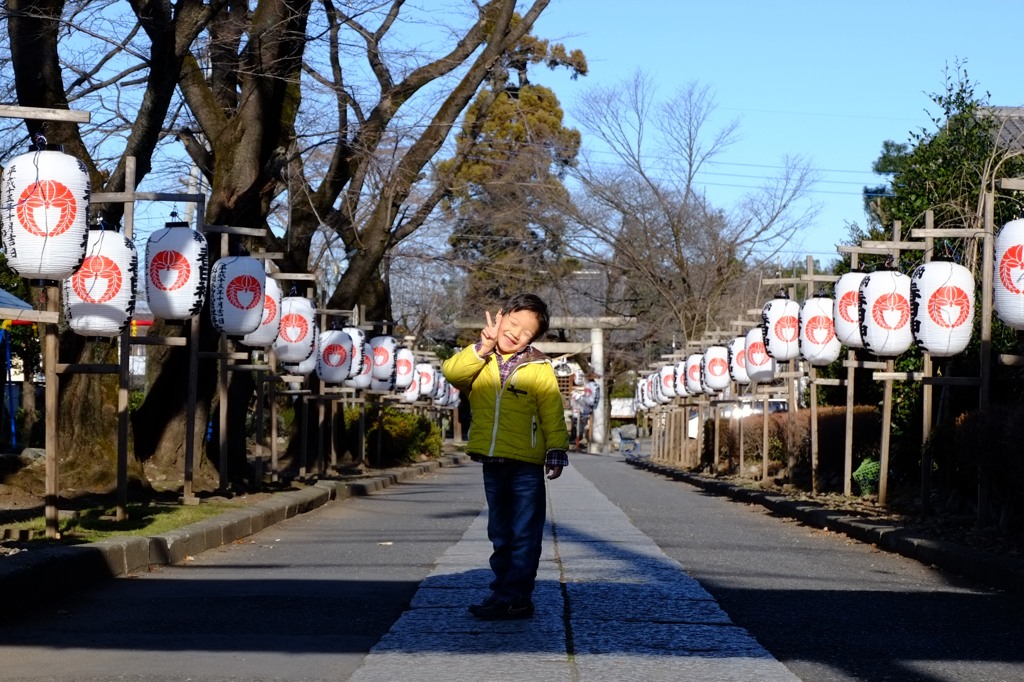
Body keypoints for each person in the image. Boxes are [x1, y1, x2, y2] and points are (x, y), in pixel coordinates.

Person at [441, 293, 569, 620]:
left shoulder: (539, 367)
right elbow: (452, 374)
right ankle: (503, 592)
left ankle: (516, 597)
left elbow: (552, 408)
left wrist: (556, 448)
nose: (515, 333)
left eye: (526, 332)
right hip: (492, 460)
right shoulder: (479, 358)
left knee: (525, 532)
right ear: (500, 317)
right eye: (512, 324)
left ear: (533, 340)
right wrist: (481, 348)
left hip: (526, 461)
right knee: (499, 531)